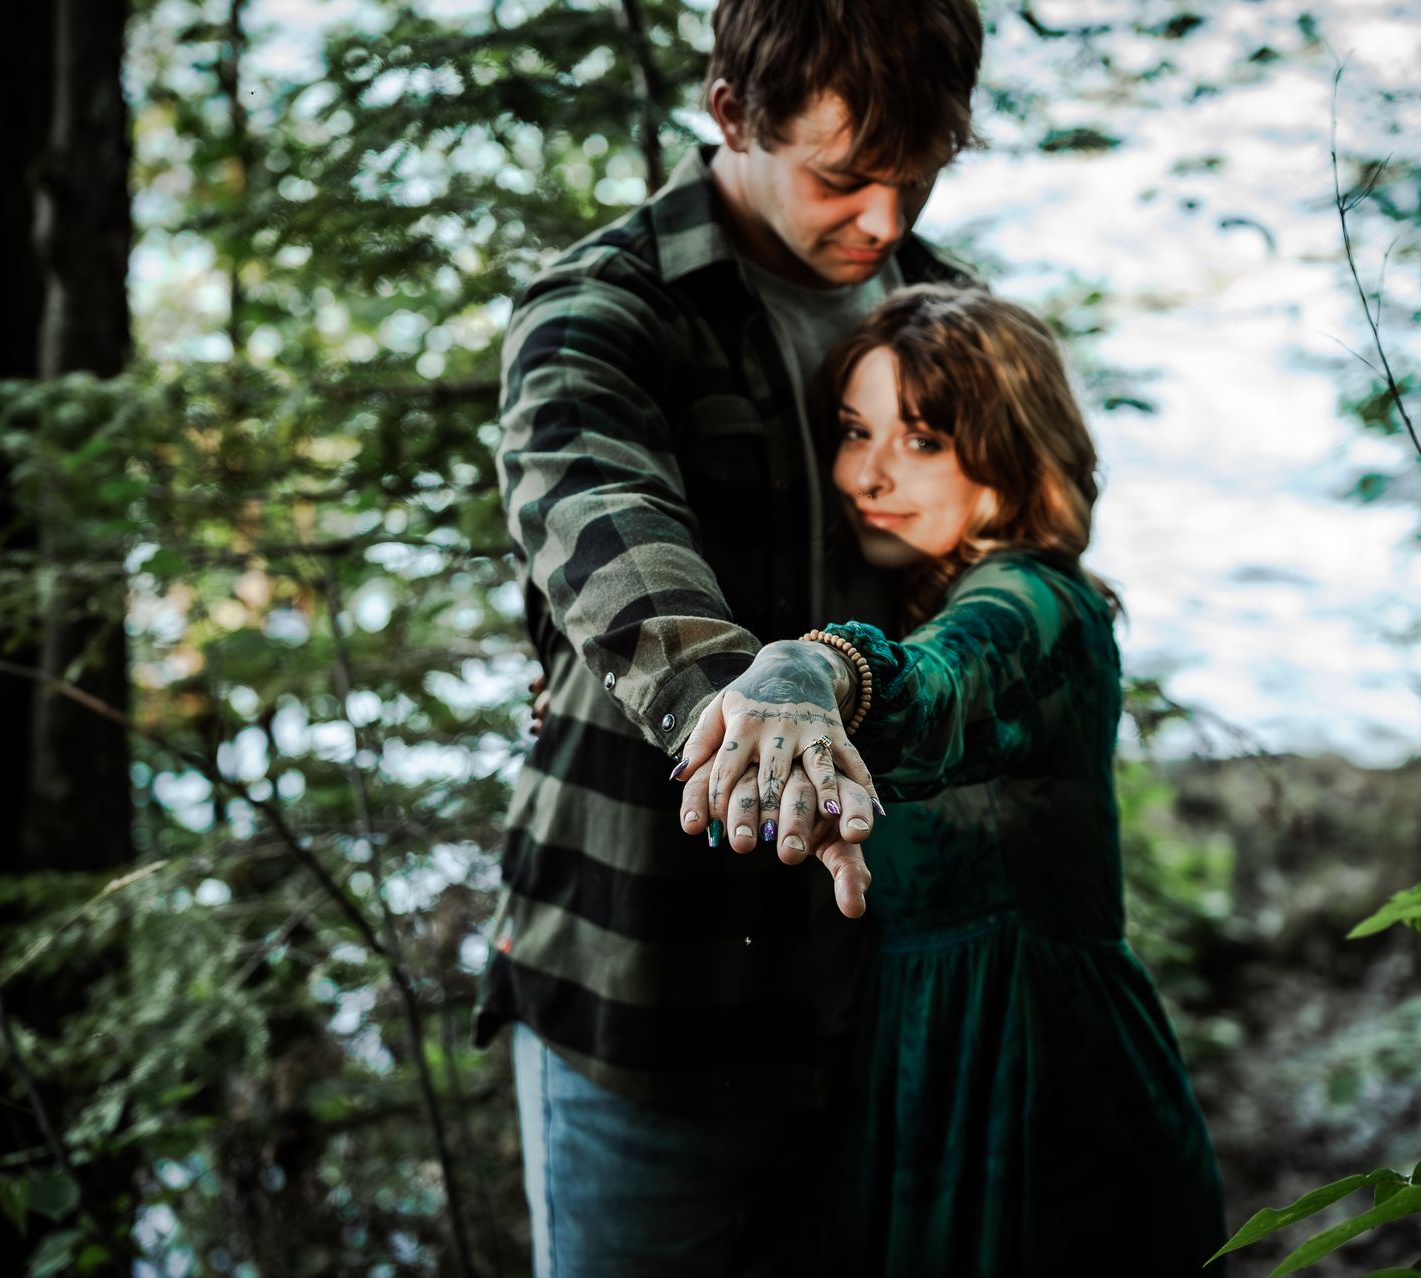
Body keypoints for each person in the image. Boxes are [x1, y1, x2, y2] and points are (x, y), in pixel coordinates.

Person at [478, 1, 986, 1273]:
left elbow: (1015, 569)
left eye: (918, 177)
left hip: (894, 987)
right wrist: (750, 704)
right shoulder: (601, 308)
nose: (884, 221)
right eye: (842, 177)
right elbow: (600, 514)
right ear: (728, 115)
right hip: (646, 987)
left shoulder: (952, 312)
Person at [676, 286, 1229, 1275]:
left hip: (1035, 1071)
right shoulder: (918, 584)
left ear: (1011, 453)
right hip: (921, 1058)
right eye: (855, 432)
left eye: (923, 441)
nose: (870, 475)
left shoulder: (1036, 601)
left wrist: (817, 668)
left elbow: (938, 685)